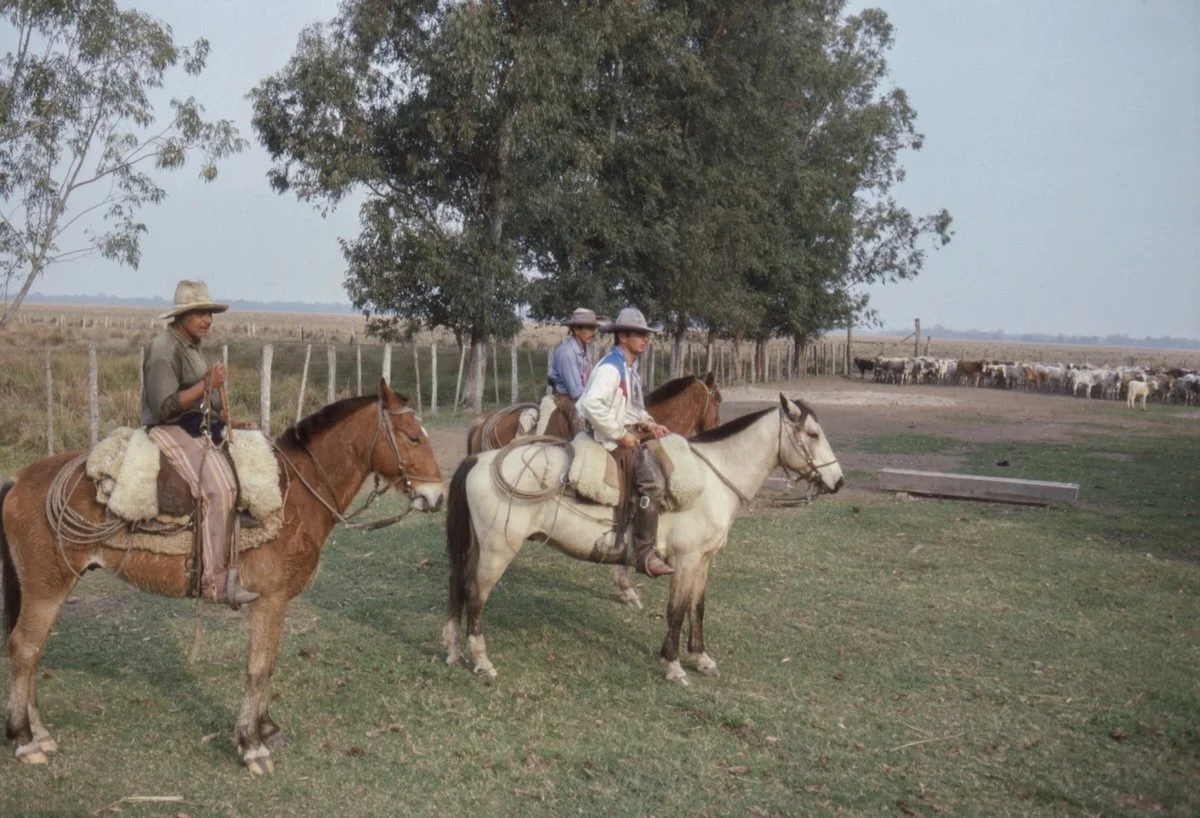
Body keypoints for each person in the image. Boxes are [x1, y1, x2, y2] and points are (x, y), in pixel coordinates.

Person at [141, 280, 258, 607]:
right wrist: (207, 383)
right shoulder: (164, 350)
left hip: (194, 421)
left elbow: (197, 401)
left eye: (209, 313)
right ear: (181, 317)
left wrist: (229, 421)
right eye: (199, 313)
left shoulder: (190, 344)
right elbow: (164, 407)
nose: (207, 319)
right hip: (169, 427)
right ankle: (214, 583)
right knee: (219, 489)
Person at [576, 307, 674, 577]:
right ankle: (644, 552)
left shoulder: (626, 366)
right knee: (653, 483)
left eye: (647, 335)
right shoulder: (611, 368)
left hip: (615, 432)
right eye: (640, 335)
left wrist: (648, 423)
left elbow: (625, 406)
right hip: (608, 439)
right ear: (623, 337)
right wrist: (621, 435)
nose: (646, 339)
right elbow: (591, 405)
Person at [545, 307, 602, 439]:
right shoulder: (567, 353)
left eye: (594, 328)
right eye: (589, 328)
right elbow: (576, 392)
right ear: (576, 330)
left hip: (583, 396)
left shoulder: (586, 350)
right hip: (567, 400)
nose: (593, 332)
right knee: (582, 434)